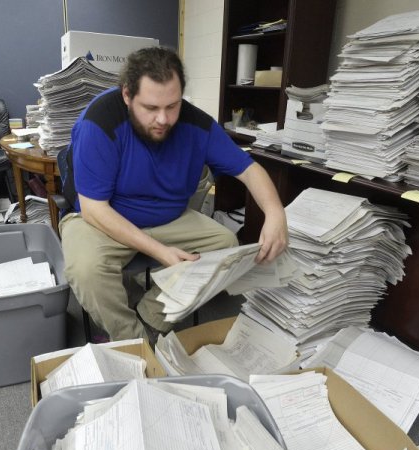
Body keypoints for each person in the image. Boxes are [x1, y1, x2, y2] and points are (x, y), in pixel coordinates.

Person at [62, 46, 288, 343]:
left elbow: (249, 170)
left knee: (225, 245)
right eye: (151, 108)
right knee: (87, 271)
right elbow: (94, 209)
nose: (163, 119)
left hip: (167, 218)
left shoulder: (196, 124)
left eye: (172, 106)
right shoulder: (100, 121)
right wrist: (159, 252)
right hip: (103, 218)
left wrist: (275, 213)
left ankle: (148, 317)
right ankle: (135, 341)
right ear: (127, 95)